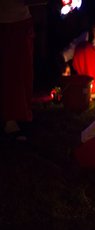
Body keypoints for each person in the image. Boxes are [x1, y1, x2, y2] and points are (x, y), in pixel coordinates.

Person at [0, 0, 34, 141]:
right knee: (10, 72)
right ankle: (11, 118)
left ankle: (22, 114)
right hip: (7, 23)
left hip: (21, 21)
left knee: (23, 71)